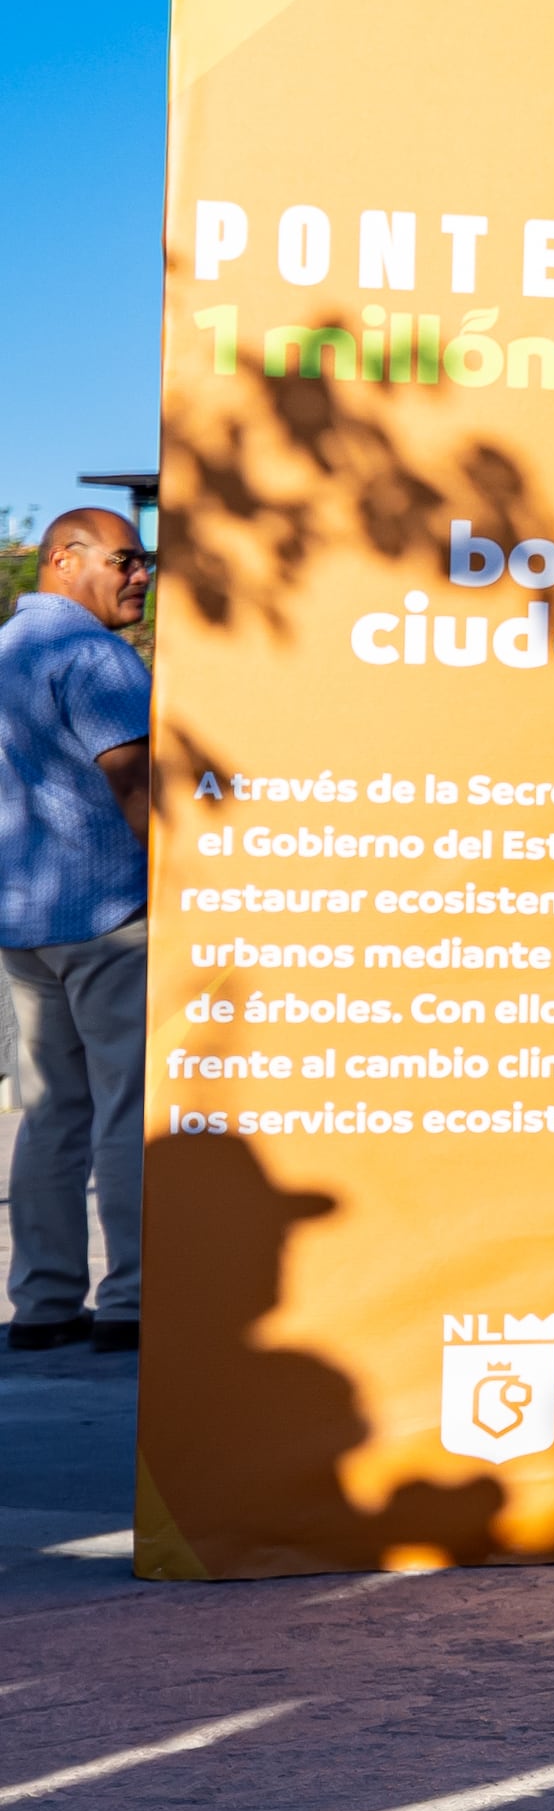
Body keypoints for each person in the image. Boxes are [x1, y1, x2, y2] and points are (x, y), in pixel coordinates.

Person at [5, 509, 154, 1355]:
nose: (142, 575)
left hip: (23, 920)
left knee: (49, 1113)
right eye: (126, 559)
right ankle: (131, 1298)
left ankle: (44, 1303)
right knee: (126, 1111)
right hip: (109, 917)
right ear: (65, 559)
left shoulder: (5, 650)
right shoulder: (92, 655)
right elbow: (134, 782)